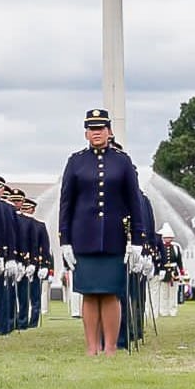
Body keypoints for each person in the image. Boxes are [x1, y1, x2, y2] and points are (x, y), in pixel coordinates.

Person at [58, 108, 145, 356]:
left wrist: (138, 240)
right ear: (86, 133)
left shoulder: (122, 161)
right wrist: (65, 240)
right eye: (91, 129)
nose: (96, 133)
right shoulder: (75, 162)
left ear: (109, 131)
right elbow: (66, 203)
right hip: (83, 238)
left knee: (110, 294)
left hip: (114, 238)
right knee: (88, 294)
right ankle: (91, 347)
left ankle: (110, 347)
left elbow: (134, 202)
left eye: (101, 128)